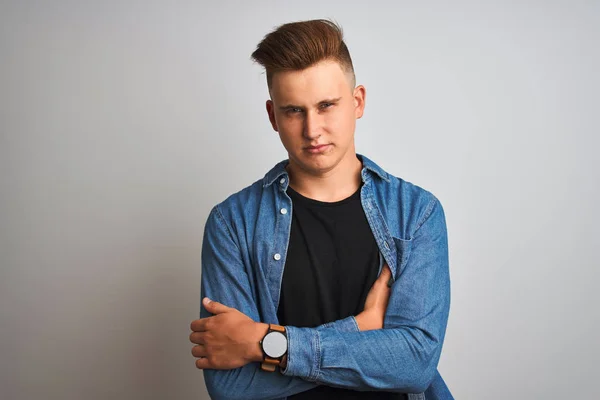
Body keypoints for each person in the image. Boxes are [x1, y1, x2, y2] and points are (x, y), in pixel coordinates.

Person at [189, 19, 454, 400]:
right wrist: (361, 328)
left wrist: (266, 344)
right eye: (294, 110)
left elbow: (414, 365)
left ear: (358, 101)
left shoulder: (415, 213)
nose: (312, 129)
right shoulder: (232, 223)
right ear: (272, 116)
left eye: (327, 105)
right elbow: (230, 386)